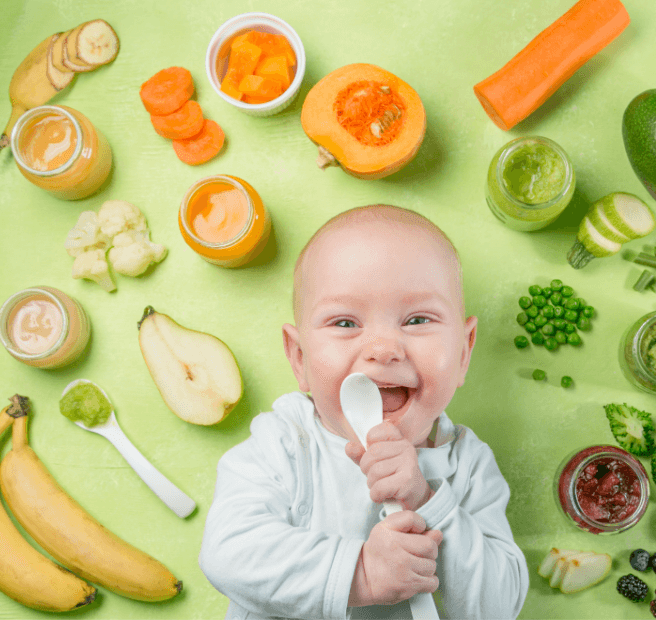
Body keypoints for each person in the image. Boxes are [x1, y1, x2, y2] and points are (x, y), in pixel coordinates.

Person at [199, 204, 529, 619]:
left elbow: (500, 607)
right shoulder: (282, 443)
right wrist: (361, 573)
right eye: (344, 323)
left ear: (463, 352)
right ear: (299, 358)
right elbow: (227, 553)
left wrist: (426, 502)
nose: (383, 349)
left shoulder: (468, 466)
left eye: (417, 319)